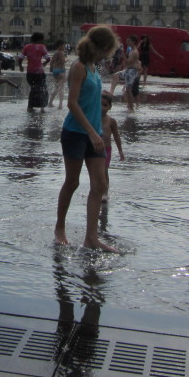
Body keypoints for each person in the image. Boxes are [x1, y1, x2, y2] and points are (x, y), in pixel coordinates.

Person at [54, 24, 119, 251]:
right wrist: (92, 131)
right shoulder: (79, 66)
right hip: (76, 133)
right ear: (102, 47)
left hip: (95, 134)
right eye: (109, 49)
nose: (109, 54)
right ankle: (60, 227)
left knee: (99, 184)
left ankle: (91, 237)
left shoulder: (93, 66)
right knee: (72, 182)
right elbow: (72, 103)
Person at [100, 92, 124, 201]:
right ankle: (96, 190)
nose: (102, 108)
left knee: (104, 170)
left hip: (106, 150)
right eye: (99, 104)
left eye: (105, 105)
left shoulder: (111, 121)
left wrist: (120, 151)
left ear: (110, 107)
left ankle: (105, 192)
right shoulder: (92, 119)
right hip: (94, 149)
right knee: (96, 172)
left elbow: (117, 136)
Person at [22, 31, 50, 112]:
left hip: (29, 73)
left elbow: (20, 58)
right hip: (39, 73)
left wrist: (20, 66)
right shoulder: (41, 47)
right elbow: (48, 58)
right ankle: (42, 108)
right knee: (42, 89)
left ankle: (30, 107)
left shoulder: (26, 47)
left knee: (33, 89)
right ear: (40, 39)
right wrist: (44, 63)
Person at [47, 41, 68, 108]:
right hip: (61, 71)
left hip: (55, 71)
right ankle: (60, 105)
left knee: (56, 88)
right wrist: (66, 59)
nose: (64, 47)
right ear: (60, 46)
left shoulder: (55, 53)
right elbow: (63, 61)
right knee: (61, 87)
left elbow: (51, 62)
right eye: (63, 45)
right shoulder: (60, 53)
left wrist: (51, 70)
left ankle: (50, 102)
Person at [122, 37, 141, 111]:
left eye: (129, 41)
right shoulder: (131, 50)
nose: (127, 42)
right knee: (127, 89)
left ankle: (131, 108)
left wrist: (122, 53)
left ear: (133, 42)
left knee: (129, 90)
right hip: (129, 70)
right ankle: (129, 106)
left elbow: (127, 62)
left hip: (131, 71)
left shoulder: (134, 52)